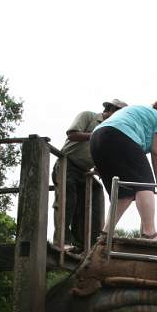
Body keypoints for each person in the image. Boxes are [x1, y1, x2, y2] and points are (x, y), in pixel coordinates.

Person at [90, 101, 157, 240]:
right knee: (146, 184)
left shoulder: (140, 115)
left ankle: (106, 233)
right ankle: (150, 233)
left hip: (97, 138)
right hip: (120, 135)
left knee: (123, 192)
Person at [54, 99, 127, 250]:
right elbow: (72, 134)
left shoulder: (110, 131)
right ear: (110, 109)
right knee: (67, 201)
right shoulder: (88, 116)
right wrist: (96, 134)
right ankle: (61, 242)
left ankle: (84, 245)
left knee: (91, 200)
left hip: (84, 172)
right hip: (67, 163)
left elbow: (102, 155)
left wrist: (99, 169)